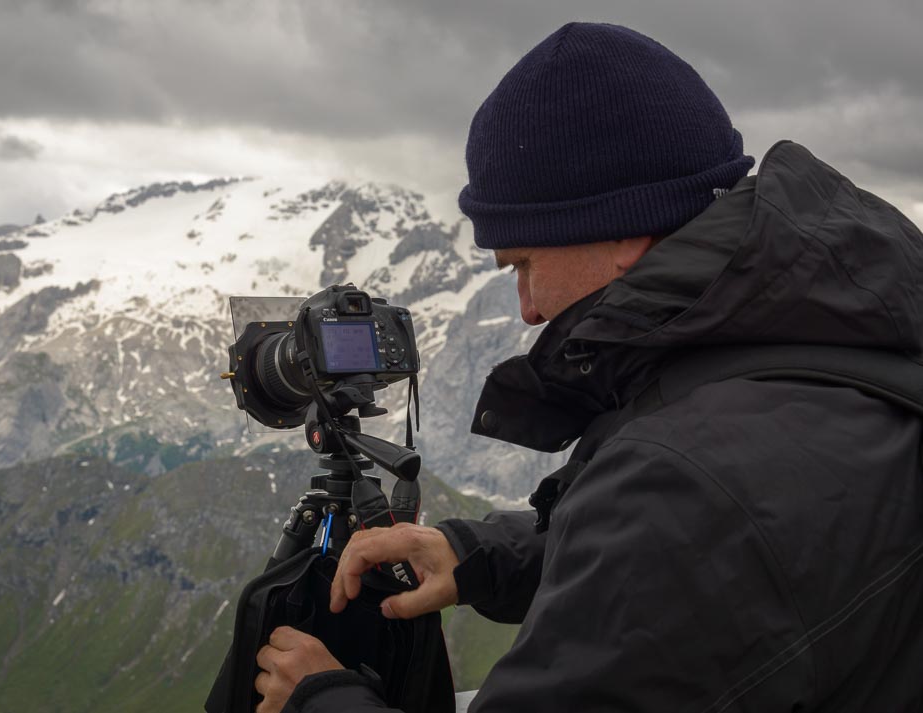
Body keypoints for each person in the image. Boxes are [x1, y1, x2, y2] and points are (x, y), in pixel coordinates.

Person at [254, 22, 923, 713]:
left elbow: (691, 530)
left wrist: (320, 700)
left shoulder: (681, 478)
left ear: (624, 228)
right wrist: (478, 555)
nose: (528, 309)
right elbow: (717, 571)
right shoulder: (833, 336)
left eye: (523, 265)